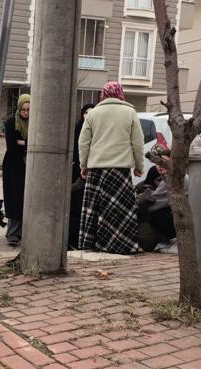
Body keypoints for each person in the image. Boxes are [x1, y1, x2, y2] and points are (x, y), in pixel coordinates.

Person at [78, 81, 144, 254]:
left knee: (96, 208)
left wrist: (84, 165)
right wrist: (139, 165)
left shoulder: (93, 113)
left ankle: (92, 242)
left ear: (103, 94)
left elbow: (83, 143)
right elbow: (137, 143)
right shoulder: (130, 112)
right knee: (119, 210)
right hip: (120, 170)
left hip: (97, 170)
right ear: (121, 93)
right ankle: (121, 244)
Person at [2, 94, 30, 246]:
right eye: (23, 110)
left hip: (29, 165)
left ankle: (24, 232)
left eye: (28, 110)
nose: (26, 113)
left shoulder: (35, 122)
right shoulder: (12, 122)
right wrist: (27, 144)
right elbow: (12, 146)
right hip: (13, 165)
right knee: (14, 198)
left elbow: (37, 143)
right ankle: (13, 233)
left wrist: (23, 143)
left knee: (27, 198)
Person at [68, 103, 95, 249]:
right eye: (86, 113)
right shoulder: (77, 129)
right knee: (76, 201)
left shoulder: (98, 129)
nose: (88, 115)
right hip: (78, 169)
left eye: (91, 112)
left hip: (93, 168)